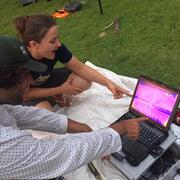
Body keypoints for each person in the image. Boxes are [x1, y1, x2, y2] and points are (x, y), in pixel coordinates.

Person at [0, 52, 147, 179]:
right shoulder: (4, 143)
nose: (29, 82)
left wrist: (84, 129)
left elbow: (25, 115)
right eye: (22, 76)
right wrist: (119, 129)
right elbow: (59, 156)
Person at [12, 13, 131, 111]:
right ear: (33, 44)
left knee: (83, 81)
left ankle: (53, 95)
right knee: (48, 116)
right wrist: (61, 90)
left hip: (46, 78)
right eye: (53, 41)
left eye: (58, 38)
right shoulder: (18, 59)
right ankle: (51, 95)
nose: (58, 44)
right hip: (25, 95)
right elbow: (25, 94)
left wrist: (108, 83)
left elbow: (80, 67)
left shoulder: (56, 47)